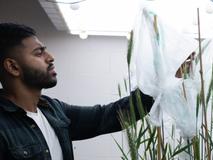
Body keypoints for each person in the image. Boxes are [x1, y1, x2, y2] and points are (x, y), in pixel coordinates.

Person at [0, 23, 155, 160]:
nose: (51, 57)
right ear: (13, 67)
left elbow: (108, 116)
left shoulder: (53, 110)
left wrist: (157, 85)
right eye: (39, 53)